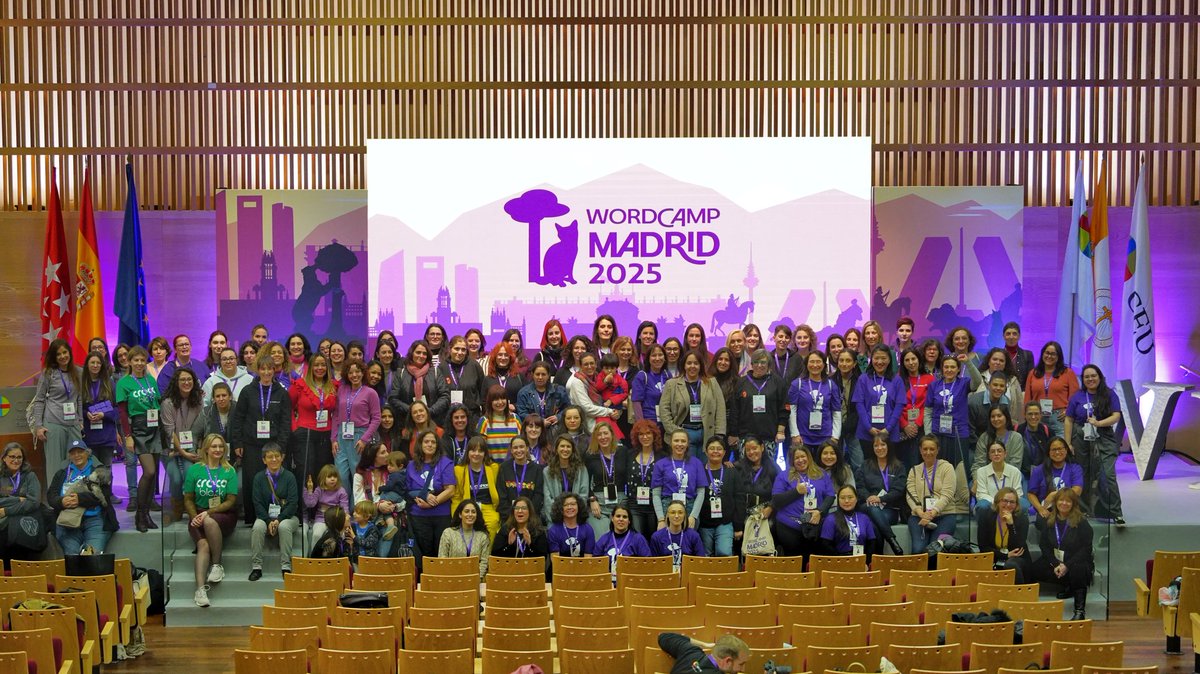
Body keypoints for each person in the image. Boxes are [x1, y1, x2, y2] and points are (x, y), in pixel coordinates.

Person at [231, 354, 292, 525]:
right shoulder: (247, 391)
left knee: (274, 481)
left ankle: (275, 516)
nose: (266, 372)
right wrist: (237, 442)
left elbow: (285, 422)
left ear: (274, 370)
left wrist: (281, 447)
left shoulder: (281, 393)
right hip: (251, 445)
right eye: (263, 369)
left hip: (273, 445)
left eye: (269, 369)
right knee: (252, 480)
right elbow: (239, 418)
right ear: (258, 370)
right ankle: (253, 517)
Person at [183, 433, 239, 607]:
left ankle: (217, 565)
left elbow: (230, 501)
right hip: (198, 514)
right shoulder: (195, 469)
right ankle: (200, 590)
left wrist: (208, 513)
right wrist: (195, 517)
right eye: (214, 446)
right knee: (203, 545)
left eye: (221, 447)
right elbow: (188, 498)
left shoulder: (229, 470)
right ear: (206, 449)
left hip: (224, 514)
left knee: (208, 521)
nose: (218, 450)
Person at [1065, 364, 1124, 525]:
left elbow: (1116, 416)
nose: (1090, 379)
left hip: (1104, 436)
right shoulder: (1077, 396)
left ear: (1099, 377)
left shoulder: (1109, 394)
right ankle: (1083, 510)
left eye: (1093, 376)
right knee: (1083, 474)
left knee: (1107, 474)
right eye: (1086, 377)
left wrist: (1098, 423)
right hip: (1081, 438)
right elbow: (1069, 420)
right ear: (1083, 380)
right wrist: (1068, 443)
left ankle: (1114, 512)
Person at [115, 345, 163, 532]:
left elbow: (157, 403)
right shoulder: (124, 383)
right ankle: (139, 515)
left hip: (154, 427)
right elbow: (122, 411)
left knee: (154, 475)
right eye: (136, 360)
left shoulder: (150, 380)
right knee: (149, 471)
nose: (140, 363)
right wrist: (128, 436)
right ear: (129, 361)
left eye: (143, 360)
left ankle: (146, 514)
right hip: (139, 428)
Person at [1033, 489, 1094, 620]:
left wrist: (1067, 565)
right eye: (1061, 500)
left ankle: (1079, 611)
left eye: (1068, 501)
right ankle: (1067, 585)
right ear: (1056, 502)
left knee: (1079, 569)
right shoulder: (1049, 520)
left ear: (1073, 504)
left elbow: (1086, 549)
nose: (1064, 503)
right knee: (1032, 570)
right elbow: (1044, 545)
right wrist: (1055, 564)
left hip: (1076, 561)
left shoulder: (1081, 522)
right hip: (1056, 561)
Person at [49, 440, 117, 555]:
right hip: (68, 522)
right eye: (73, 453)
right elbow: (51, 495)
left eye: (80, 452)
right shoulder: (62, 473)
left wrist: (79, 499)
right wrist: (61, 501)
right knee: (72, 557)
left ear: (87, 453)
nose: (77, 455)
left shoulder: (99, 471)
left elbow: (104, 494)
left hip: (95, 520)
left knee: (92, 556)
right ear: (69, 456)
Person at [30, 338, 84, 477]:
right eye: (58, 354)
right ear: (54, 357)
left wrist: (80, 420)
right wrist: (38, 426)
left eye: (65, 352)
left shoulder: (79, 371)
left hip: (73, 424)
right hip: (54, 424)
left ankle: (73, 498)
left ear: (70, 352)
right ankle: (55, 498)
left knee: (78, 464)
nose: (62, 356)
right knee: (55, 467)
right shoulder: (48, 373)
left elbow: (78, 398)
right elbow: (39, 400)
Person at [771, 445, 833, 563]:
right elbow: (776, 500)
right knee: (794, 562)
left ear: (808, 457)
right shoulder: (784, 476)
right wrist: (796, 492)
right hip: (789, 525)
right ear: (792, 461)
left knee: (812, 561)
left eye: (803, 456)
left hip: (814, 524)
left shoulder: (821, 473)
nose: (800, 460)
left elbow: (830, 496)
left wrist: (820, 511)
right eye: (797, 458)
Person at [660, 351, 726, 459]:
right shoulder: (672, 384)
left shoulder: (712, 382)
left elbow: (720, 408)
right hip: (683, 433)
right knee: (688, 468)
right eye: (689, 363)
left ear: (701, 366)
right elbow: (664, 409)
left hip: (707, 434)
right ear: (684, 365)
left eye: (696, 363)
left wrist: (719, 434)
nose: (692, 366)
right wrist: (675, 431)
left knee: (705, 469)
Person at [161, 367, 207, 523]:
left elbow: (201, 428)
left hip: (193, 448)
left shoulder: (198, 401)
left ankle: (191, 507)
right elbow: (169, 431)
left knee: (190, 473)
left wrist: (199, 449)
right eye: (182, 380)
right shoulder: (167, 403)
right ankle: (177, 508)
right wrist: (183, 452)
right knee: (175, 478)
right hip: (171, 449)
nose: (186, 382)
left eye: (189, 379)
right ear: (176, 382)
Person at [249, 442, 300, 580]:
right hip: (265, 516)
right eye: (270, 457)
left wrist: (279, 519)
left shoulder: (289, 477)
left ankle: (286, 566)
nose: (274, 459)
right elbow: (257, 503)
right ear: (264, 460)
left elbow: (293, 503)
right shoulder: (259, 478)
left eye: (277, 456)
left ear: (282, 457)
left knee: (284, 527)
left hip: (288, 517)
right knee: (258, 527)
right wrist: (267, 520)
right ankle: (257, 567)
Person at [333, 360, 381, 507]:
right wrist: (333, 439)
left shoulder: (370, 392)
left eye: (357, 371)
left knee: (357, 475)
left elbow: (376, 418)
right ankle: (344, 508)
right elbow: (335, 415)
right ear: (346, 374)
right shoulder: (342, 390)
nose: (354, 375)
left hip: (360, 436)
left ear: (363, 373)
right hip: (342, 435)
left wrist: (365, 439)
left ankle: (358, 511)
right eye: (351, 372)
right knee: (341, 474)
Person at [288, 353, 337, 490]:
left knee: (323, 473)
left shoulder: (333, 387)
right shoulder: (300, 385)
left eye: (323, 365)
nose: (320, 368)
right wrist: (295, 427)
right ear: (310, 367)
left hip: (327, 435)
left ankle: (320, 509)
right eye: (316, 365)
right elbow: (288, 408)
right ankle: (303, 509)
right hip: (305, 434)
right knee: (306, 472)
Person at [851, 345, 904, 471]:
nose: (880, 362)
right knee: (869, 468)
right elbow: (859, 404)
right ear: (871, 359)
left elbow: (899, 406)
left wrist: (888, 429)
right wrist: (869, 427)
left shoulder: (897, 380)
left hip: (889, 433)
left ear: (890, 360)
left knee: (890, 467)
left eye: (883, 358)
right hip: (867, 433)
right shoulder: (863, 379)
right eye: (876, 358)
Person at [406, 430, 456, 559]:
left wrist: (432, 503)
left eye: (433, 442)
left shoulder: (446, 463)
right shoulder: (411, 465)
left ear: (438, 445)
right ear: (420, 445)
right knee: (424, 554)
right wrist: (426, 495)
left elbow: (450, 489)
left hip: (441, 515)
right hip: (418, 516)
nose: (430, 445)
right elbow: (408, 490)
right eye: (426, 442)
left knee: (441, 553)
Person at [853, 435, 906, 556]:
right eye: (876, 445)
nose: (879, 448)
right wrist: (869, 497)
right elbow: (859, 487)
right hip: (867, 506)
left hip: (889, 509)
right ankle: (892, 540)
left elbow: (898, 490)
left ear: (889, 446)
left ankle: (876, 559)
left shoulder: (899, 466)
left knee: (874, 525)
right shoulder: (865, 465)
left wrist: (880, 499)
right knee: (872, 507)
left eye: (883, 444)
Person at [906, 435, 959, 554]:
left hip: (945, 515)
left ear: (937, 450)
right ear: (920, 450)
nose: (928, 452)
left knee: (935, 550)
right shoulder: (914, 470)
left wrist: (932, 513)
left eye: (932, 449)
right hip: (919, 516)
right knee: (918, 550)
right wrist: (921, 513)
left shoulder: (947, 468)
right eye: (925, 449)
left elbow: (947, 494)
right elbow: (910, 495)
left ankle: (937, 573)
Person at [729, 350, 788, 456]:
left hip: (769, 437)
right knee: (746, 470)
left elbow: (783, 409)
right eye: (756, 362)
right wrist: (733, 433)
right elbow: (735, 410)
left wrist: (780, 431)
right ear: (751, 364)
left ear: (769, 365)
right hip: (745, 437)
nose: (759, 365)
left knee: (768, 471)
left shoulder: (778, 382)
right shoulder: (741, 382)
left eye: (763, 362)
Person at [925, 354, 979, 470]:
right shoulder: (934, 385)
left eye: (953, 367)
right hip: (937, 434)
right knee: (938, 469)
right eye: (946, 367)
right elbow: (928, 411)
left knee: (958, 470)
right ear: (942, 368)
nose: (949, 370)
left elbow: (977, 382)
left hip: (958, 433)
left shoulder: (964, 383)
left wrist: (968, 363)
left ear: (958, 369)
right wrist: (928, 433)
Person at [653, 430, 709, 531]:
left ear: (688, 444)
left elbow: (701, 493)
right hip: (668, 507)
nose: (679, 444)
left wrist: (693, 516)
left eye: (683, 441)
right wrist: (661, 519)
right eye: (676, 441)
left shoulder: (697, 463)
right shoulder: (660, 464)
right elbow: (656, 494)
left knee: (687, 543)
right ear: (670, 443)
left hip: (690, 508)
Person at [1023, 342, 1079, 439]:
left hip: (1060, 418)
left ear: (1059, 356)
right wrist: (1027, 415)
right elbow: (1028, 398)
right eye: (1047, 353)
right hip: (1037, 417)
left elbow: (1076, 397)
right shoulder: (1033, 373)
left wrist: (1069, 411)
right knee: (1038, 449)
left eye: (1053, 354)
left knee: (1059, 449)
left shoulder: (1067, 373)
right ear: (1042, 354)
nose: (1049, 356)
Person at [976, 486, 1032, 584]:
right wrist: (1005, 555)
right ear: (998, 501)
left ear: (1016, 504)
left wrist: (1011, 525)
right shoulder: (986, 516)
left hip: (1018, 558)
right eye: (1005, 501)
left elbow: (1018, 547)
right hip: (995, 556)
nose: (1008, 505)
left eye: (1012, 502)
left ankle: (1019, 595)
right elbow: (983, 547)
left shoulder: (1022, 519)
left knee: (1011, 565)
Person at [0, 443, 44, 565]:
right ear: (4, 458)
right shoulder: (1, 477)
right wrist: (16, 499)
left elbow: (34, 502)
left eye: (19, 457)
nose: (16, 460)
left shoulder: (30, 476)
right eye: (12, 456)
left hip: (24, 524)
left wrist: (6, 511)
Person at [452, 436, 500, 542]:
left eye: (480, 451)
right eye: (473, 450)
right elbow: (456, 497)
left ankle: (487, 557)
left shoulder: (493, 468)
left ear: (485, 454)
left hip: (488, 508)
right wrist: (456, 516)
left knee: (492, 524)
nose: (476, 454)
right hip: (468, 509)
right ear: (467, 452)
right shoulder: (458, 470)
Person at [389, 340, 449, 423]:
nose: (421, 356)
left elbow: (444, 396)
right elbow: (393, 398)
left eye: (424, 353)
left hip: (432, 420)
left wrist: (429, 411)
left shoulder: (435, 372)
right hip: (407, 422)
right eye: (418, 352)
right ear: (412, 353)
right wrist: (412, 411)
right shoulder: (401, 373)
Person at [697, 436, 738, 557]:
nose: (715, 451)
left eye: (719, 449)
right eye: (712, 448)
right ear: (706, 451)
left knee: (724, 553)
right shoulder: (699, 470)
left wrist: (738, 525)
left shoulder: (731, 471)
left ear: (724, 452)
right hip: (704, 523)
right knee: (704, 556)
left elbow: (738, 497)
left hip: (725, 523)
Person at [583, 423, 627, 538]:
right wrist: (592, 500)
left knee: (620, 538)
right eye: (599, 434)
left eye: (606, 433)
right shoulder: (589, 455)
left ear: (612, 435)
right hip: (599, 505)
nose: (603, 437)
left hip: (621, 504)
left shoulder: (623, 452)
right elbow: (585, 482)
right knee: (602, 537)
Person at [1027, 438, 1084, 519]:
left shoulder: (1075, 468)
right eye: (1054, 449)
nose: (1057, 452)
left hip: (1068, 510)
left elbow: (1077, 490)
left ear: (1066, 450)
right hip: (1046, 510)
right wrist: (1040, 509)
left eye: (1060, 449)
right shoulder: (1039, 470)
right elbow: (1031, 494)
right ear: (1048, 452)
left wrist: (1054, 495)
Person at [80, 351, 120, 467]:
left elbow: (117, 409)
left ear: (102, 365)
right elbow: (78, 409)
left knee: (106, 472)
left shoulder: (109, 383)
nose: (95, 365)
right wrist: (86, 414)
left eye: (98, 363)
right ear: (87, 364)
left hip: (106, 435)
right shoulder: (82, 384)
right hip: (89, 436)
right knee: (92, 472)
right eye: (92, 362)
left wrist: (104, 415)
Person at [564, 352, 621, 433]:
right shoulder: (577, 382)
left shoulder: (599, 379)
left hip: (603, 421)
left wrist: (616, 413)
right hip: (587, 426)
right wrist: (610, 411)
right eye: (586, 364)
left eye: (592, 363)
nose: (589, 366)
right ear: (580, 366)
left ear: (596, 364)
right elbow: (586, 408)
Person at [625, 420, 664, 537]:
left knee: (654, 539)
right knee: (637, 538)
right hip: (634, 505)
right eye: (641, 434)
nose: (645, 437)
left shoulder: (663, 457)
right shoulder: (630, 455)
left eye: (648, 433)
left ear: (654, 435)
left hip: (654, 507)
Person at [491, 495, 548, 571]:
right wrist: (509, 545)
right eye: (517, 508)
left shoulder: (538, 531)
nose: (520, 511)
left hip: (531, 574)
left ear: (530, 512)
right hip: (509, 573)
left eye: (524, 508)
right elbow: (495, 557)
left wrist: (530, 545)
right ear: (513, 512)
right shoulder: (505, 530)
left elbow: (542, 561)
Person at [592, 504, 652, 578]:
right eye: (618, 516)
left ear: (629, 521)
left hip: (631, 583)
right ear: (612, 518)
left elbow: (648, 564)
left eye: (625, 517)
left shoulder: (638, 539)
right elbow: (594, 564)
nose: (621, 519)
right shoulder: (604, 539)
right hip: (608, 584)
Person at [542, 435, 591, 524]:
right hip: (555, 519)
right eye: (562, 446)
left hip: (577, 519)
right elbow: (547, 499)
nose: (565, 449)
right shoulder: (547, 471)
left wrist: (574, 517)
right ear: (556, 449)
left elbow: (583, 495)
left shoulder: (581, 469)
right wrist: (556, 519)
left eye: (568, 446)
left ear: (573, 449)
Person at [898, 347, 933, 470]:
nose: (911, 362)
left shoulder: (929, 379)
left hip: (921, 427)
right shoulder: (898, 380)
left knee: (921, 463)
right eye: (907, 360)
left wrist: (917, 424)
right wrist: (905, 425)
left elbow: (928, 405)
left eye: (913, 358)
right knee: (905, 464)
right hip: (903, 429)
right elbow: (896, 406)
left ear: (919, 360)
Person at [973, 441, 1027, 520]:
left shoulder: (1015, 471)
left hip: (1010, 503)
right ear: (989, 456)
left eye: (999, 451)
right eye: (992, 452)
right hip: (990, 504)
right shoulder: (981, 471)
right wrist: (999, 503)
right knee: (982, 505)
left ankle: (1015, 527)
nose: (996, 454)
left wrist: (1007, 503)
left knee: (1024, 504)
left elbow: (1018, 493)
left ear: (1005, 454)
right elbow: (981, 494)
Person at [821, 485, 876, 562]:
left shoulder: (864, 518)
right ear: (838, 500)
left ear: (856, 499)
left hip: (861, 560)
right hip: (838, 561)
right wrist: (841, 561)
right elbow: (826, 545)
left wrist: (865, 562)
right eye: (842, 498)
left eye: (850, 497)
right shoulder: (831, 519)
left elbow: (871, 544)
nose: (846, 501)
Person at [497, 437, 545, 523]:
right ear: (511, 450)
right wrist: (512, 515)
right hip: (508, 517)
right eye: (515, 448)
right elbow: (501, 496)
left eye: (521, 447)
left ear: (527, 448)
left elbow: (538, 495)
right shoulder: (504, 467)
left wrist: (527, 514)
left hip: (531, 517)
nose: (519, 450)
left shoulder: (537, 469)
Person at [438, 499, 489, 578]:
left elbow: (484, 562)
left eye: (473, 512)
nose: (470, 514)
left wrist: (476, 579)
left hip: (475, 581)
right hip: (451, 579)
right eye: (466, 511)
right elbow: (442, 559)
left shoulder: (482, 536)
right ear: (460, 515)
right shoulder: (448, 533)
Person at [650, 500, 706, 571]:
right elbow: (653, 564)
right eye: (673, 512)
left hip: (688, 577)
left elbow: (701, 562)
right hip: (664, 577)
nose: (676, 516)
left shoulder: (694, 536)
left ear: (685, 515)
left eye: (680, 512)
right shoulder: (657, 537)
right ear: (667, 515)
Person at [976, 348, 1025, 426]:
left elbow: (1020, 406)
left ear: (1006, 364)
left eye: (1001, 360)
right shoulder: (978, 378)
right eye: (995, 359)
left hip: (1008, 428)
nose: (998, 362)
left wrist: (1020, 427)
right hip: (982, 427)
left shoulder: (1013, 380)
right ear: (988, 361)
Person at [657, 633, 750, 673]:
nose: (743, 669)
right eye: (741, 664)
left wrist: (704, 644)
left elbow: (664, 637)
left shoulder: (690, 652)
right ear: (727, 661)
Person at [515, 361, 569, 430]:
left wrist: (558, 417)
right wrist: (539, 421)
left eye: (543, 374)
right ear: (532, 374)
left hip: (555, 430)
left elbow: (568, 408)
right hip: (533, 430)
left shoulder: (559, 390)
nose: (540, 377)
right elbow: (522, 413)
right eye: (537, 374)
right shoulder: (523, 393)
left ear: (548, 375)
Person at [303, 464, 349, 544]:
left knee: (341, 536)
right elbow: (310, 504)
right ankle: (314, 556)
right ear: (323, 478)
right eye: (329, 477)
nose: (332, 479)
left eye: (334, 477)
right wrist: (310, 490)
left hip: (336, 520)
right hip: (321, 519)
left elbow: (344, 509)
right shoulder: (319, 490)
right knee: (316, 535)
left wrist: (346, 519)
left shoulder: (341, 491)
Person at [971, 406, 1025, 474]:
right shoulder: (984, 437)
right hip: (987, 477)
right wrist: (976, 479)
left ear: (1006, 417)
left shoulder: (1016, 437)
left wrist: (1000, 478)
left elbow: (1015, 464)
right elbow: (978, 464)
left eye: (999, 416)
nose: (996, 419)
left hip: (1010, 477)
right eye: (993, 416)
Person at [478, 384, 523, 462]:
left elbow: (522, 444)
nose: (500, 402)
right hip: (492, 467)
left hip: (513, 467)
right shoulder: (484, 421)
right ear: (490, 402)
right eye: (496, 399)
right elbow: (480, 449)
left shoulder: (515, 419)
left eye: (503, 398)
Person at [546, 492, 595, 559]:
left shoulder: (588, 529)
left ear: (579, 506)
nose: (569, 507)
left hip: (583, 567)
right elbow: (555, 561)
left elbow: (588, 559)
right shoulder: (553, 531)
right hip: (560, 568)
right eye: (565, 505)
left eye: (573, 504)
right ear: (560, 508)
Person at [631, 344, 669, 423]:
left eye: (660, 355)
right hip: (648, 422)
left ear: (665, 358)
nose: (657, 358)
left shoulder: (667, 375)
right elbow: (636, 403)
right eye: (654, 355)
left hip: (666, 422)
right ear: (648, 358)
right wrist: (642, 424)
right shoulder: (642, 376)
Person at [1016, 401, 1053, 474]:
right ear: (1025, 415)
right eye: (1030, 414)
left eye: (1036, 414)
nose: (1033, 417)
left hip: (1043, 473)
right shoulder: (1017, 430)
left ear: (1041, 415)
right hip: (1022, 474)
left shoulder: (1048, 431)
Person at [1002, 322, 1036, 391]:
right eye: (1008, 334)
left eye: (1014, 334)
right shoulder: (998, 355)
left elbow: (1030, 380)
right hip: (1000, 394)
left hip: (1021, 395)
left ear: (1019, 336)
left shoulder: (1028, 355)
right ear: (1003, 336)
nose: (1011, 337)